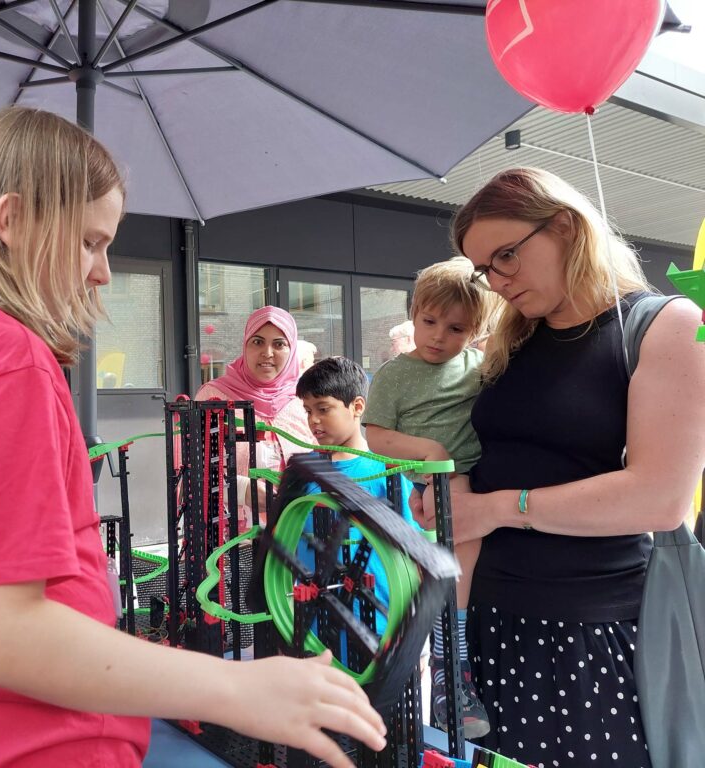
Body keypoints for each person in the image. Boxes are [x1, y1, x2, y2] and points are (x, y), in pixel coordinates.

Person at [0, 108, 386, 768]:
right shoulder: (0, 357)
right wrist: (236, 688)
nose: (103, 271)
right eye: (90, 242)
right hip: (24, 742)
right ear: (10, 221)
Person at [413, 167, 705, 767]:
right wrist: (441, 491)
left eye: (507, 256)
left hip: (588, 630)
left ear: (567, 227)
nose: (497, 281)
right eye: (485, 269)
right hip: (484, 621)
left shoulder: (665, 324)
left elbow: (660, 498)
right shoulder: (512, 339)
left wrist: (492, 508)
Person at [364, 257, 494, 738]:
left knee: (459, 556)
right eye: (429, 321)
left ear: (475, 329)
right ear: (414, 314)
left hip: (470, 479)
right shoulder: (397, 374)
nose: (439, 335)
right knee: (447, 554)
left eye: (456, 327)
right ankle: (444, 659)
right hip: (428, 477)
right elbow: (374, 434)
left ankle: (449, 655)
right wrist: (430, 452)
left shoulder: (479, 366)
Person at [296, 356, 416, 634]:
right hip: (314, 624)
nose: (313, 420)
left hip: (379, 621)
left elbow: (413, 552)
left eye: (323, 408)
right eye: (307, 410)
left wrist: (414, 639)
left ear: (357, 407)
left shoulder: (387, 470)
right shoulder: (302, 472)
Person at [195, 306, 314, 526]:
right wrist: (242, 489)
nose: (267, 353)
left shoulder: (305, 400)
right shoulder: (213, 397)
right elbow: (188, 472)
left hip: (297, 537)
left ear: (292, 349)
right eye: (258, 342)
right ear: (245, 345)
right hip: (230, 545)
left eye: (279, 344)